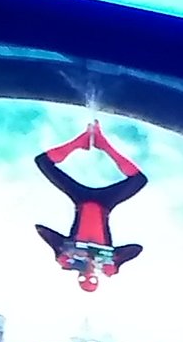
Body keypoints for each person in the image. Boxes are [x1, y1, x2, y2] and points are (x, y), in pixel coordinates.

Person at [34, 119, 147, 293]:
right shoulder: (109, 262)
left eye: (83, 278)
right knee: (139, 180)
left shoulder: (69, 258)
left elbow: (41, 229)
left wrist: (62, 252)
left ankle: (81, 141)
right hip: (105, 203)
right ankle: (103, 143)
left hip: (80, 199)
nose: (87, 275)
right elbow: (136, 249)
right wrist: (115, 263)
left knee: (43, 162)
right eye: (92, 279)